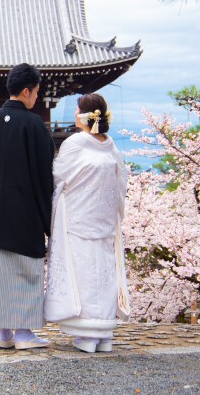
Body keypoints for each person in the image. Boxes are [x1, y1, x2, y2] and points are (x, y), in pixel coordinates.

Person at [0, 63, 55, 350]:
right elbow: (44, 175)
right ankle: (23, 332)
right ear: (26, 91)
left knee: (0, 271)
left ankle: (4, 332)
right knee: (25, 270)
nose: (37, 99)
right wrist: (48, 217)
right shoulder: (34, 125)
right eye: (36, 93)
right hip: (25, 212)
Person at [44, 93, 130, 353]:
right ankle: (103, 332)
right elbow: (121, 181)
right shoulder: (110, 146)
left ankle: (86, 333)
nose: (73, 114)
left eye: (77, 110)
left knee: (82, 272)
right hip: (104, 221)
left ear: (84, 115)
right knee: (104, 273)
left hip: (79, 219)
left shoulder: (76, 143)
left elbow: (59, 176)